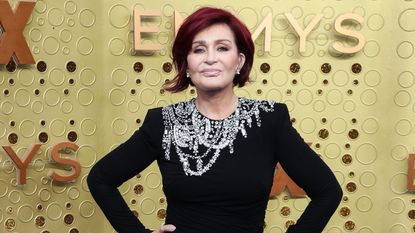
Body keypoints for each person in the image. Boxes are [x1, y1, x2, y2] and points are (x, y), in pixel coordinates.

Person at [87, 6, 343, 233]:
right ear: (186, 65)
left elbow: (328, 192)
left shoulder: (269, 120)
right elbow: (100, 179)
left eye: (222, 47)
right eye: (199, 49)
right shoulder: (163, 122)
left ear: (239, 61)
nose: (210, 58)